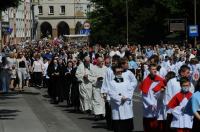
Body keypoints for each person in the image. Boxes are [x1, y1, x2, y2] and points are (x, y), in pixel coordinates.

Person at [108, 65, 134, 132]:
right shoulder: (111, 83)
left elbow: (130, 91)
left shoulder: (127, 81)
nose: (120, 73)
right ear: (114, 73)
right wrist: (120, 98)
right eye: (118, 72)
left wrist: (127, 97)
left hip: (127, 107)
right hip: (117, 108)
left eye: (121, 71)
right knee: (118, 128)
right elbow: (111, 93)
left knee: (128, 128)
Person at [140, 63, 165, 132]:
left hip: (158, 106)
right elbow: (143, 95)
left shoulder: (160, 80)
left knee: (157, 127)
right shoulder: (145, 81)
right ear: (149, 70)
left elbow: (162, 94)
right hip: (148, 107)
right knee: (148, 127)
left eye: (155, 69)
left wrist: (162, 92)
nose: (155, 71)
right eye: (153, 69)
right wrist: (151, 103)